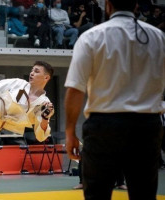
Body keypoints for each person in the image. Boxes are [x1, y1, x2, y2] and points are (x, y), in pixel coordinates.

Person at [64, 0, 165, 199]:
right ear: (136, 5)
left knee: (97, 194)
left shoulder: (92, 36)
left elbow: (75, 89)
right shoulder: (157, 37)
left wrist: (70, 132)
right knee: (144, 194)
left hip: (104, 126)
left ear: (107, 5)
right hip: (147, 126)